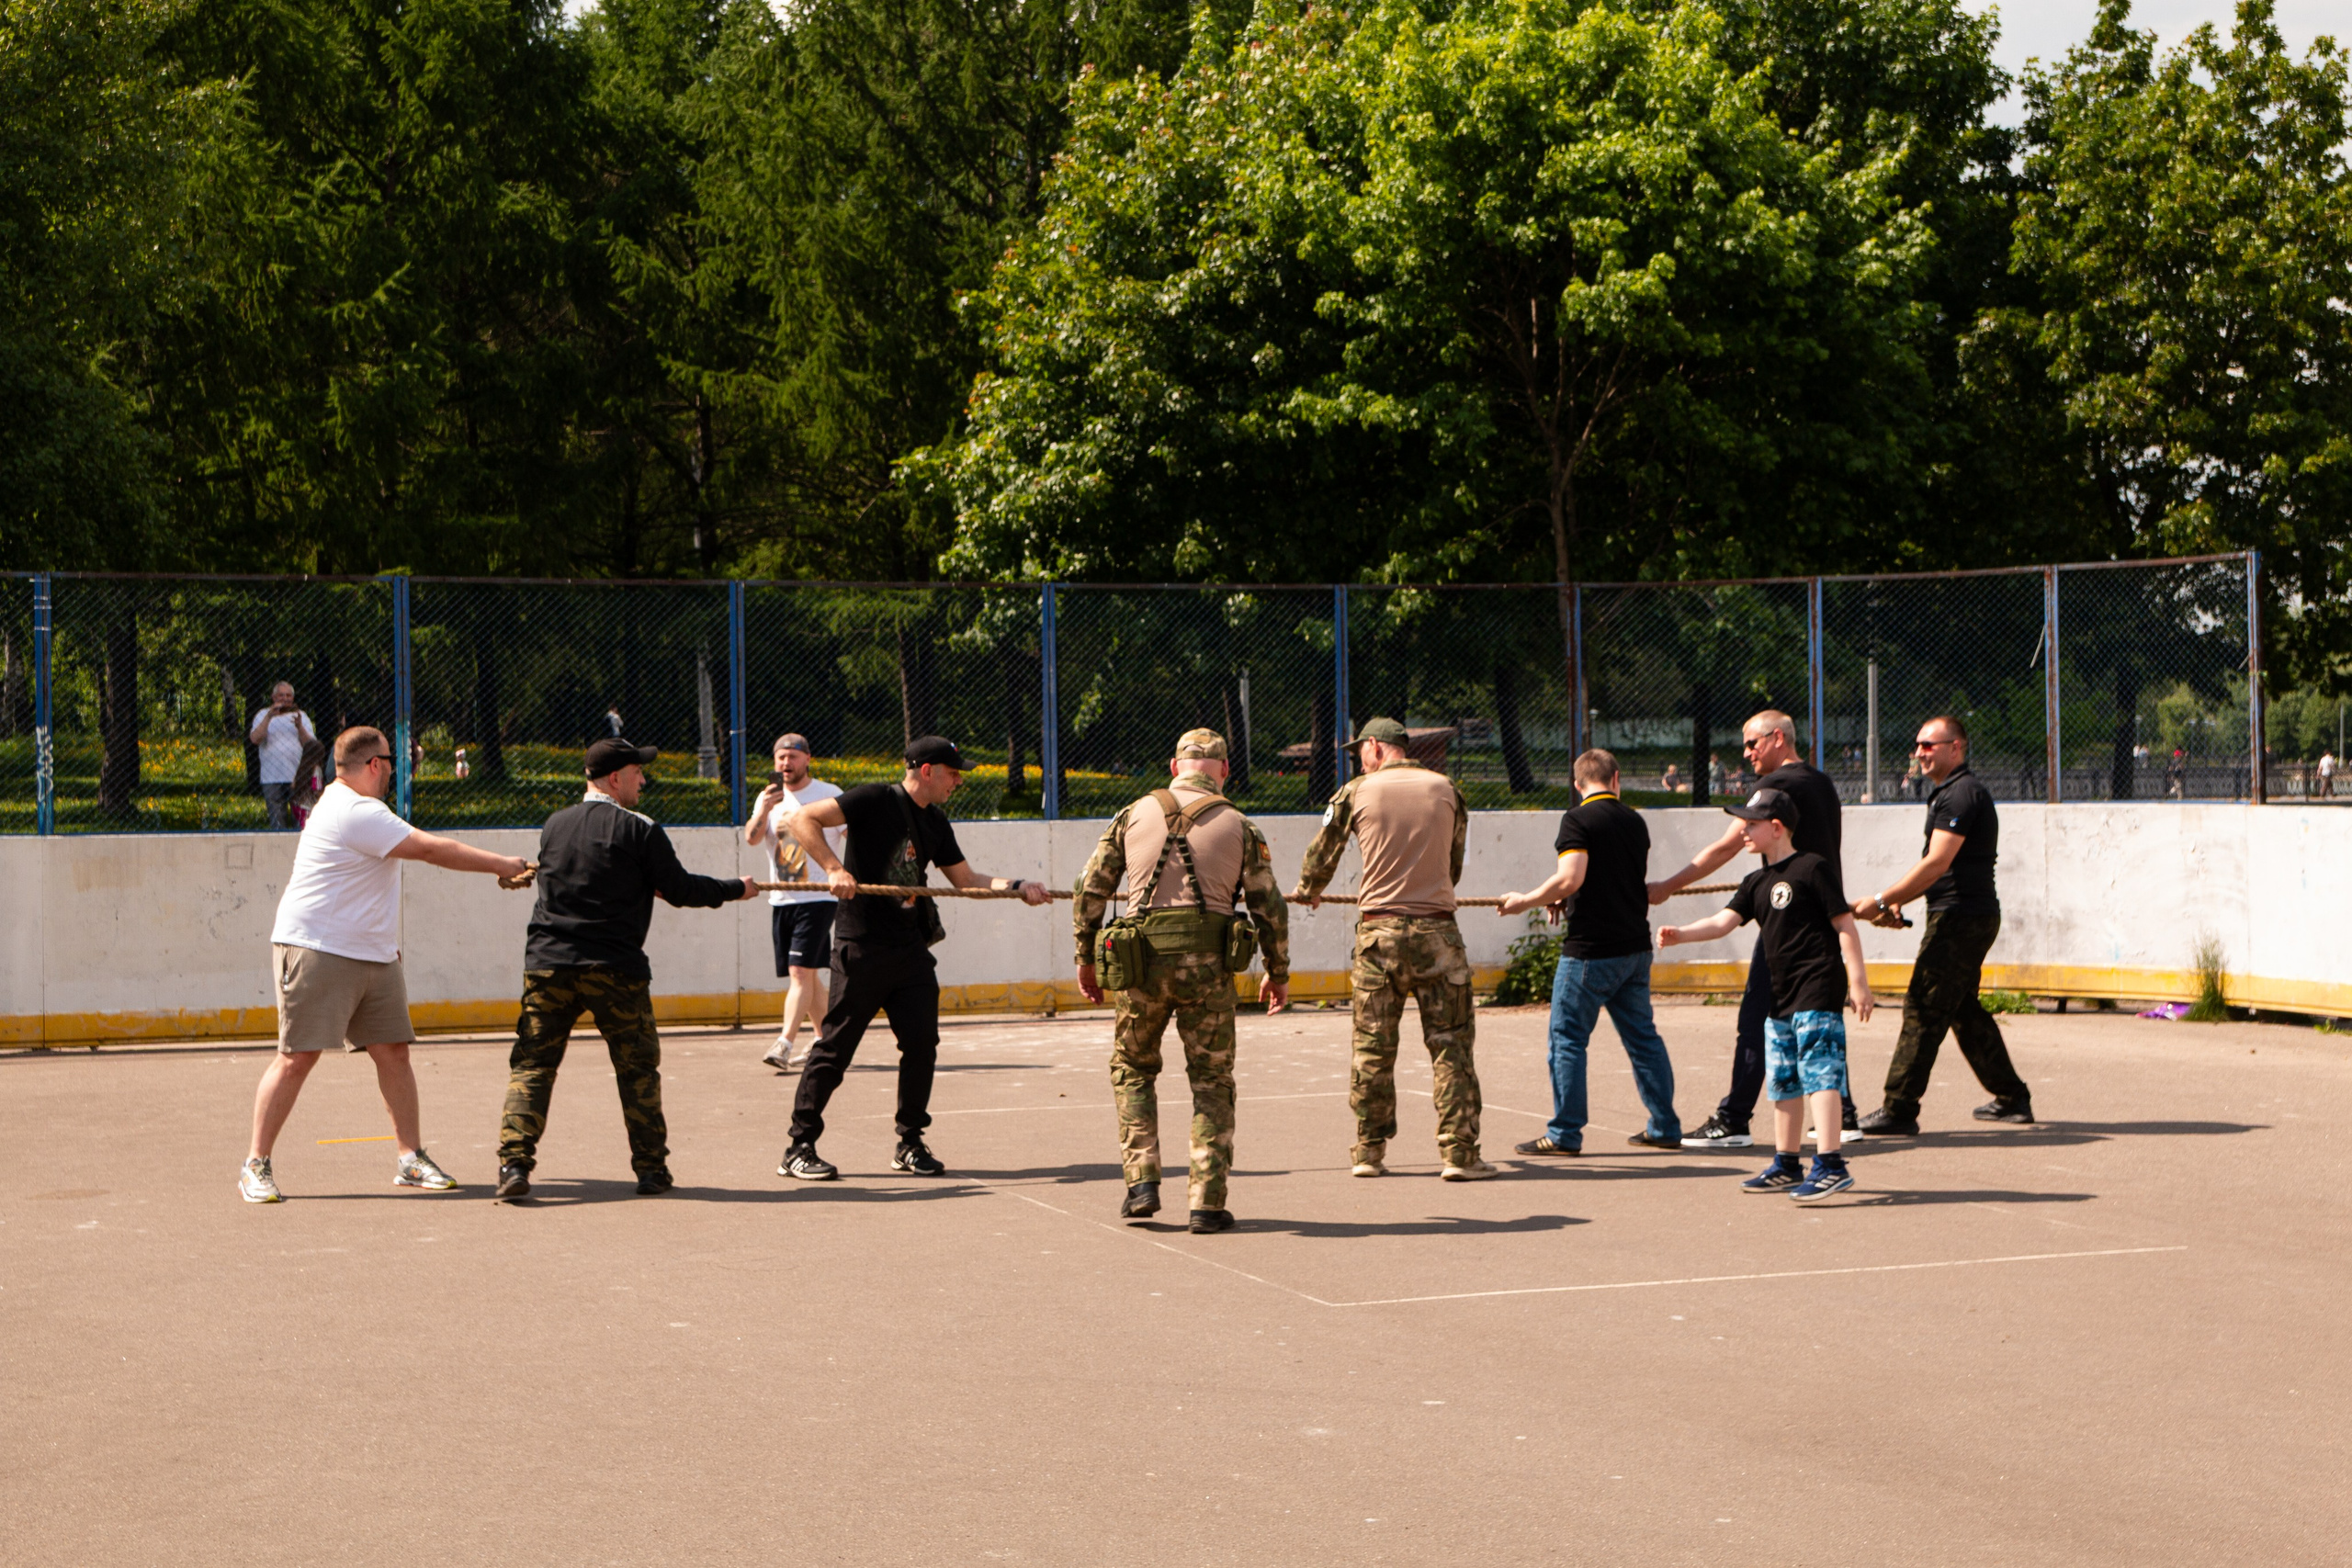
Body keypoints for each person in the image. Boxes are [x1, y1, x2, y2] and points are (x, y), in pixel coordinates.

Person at [241, 727, 530, 1203]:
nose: (394, 771)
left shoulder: (355, 808)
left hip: (373, 953)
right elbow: (430, 850)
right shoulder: (354, 810)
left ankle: (410, 1158)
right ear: (375, 764)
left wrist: (384, 944)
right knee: (297, 1058)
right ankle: (256, 1164)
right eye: (391, 762)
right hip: (317, 948)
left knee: (394, 1052)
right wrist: (501, 863)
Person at [493, 739, 758, 1200]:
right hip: (615, 967)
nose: (644, 779)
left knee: (533, 1066)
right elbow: (680, 888)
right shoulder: (641, 829)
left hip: (549, 965)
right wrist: (737, 888)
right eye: (637, 772)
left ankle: (515, 1164)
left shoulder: (555, 825)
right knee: (637, 1070)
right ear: (614, 779)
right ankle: (652, 1171)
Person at [778, 736, 1051, 1180]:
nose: (958, 781)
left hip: (909, 949)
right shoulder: (873, 799)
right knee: (835, 1049)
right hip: (861, 945)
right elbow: (801, 818)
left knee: (922, 1045)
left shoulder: (937, 823)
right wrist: (833, 868)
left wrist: (1018, 887)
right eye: (953, 772)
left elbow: (966, 879)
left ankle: (910, 1142)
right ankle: (799, 1145)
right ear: (927, 770)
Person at [1072, 729, 1290, 1234]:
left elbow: (1091, 889)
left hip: (1139, 965)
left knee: (1132, 1068)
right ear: (1224, 771)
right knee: (1212, 1082)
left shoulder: (1132, 814)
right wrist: (1277, 973)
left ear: (1175, 766)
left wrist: (1085, 957)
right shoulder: (1240, 824)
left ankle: (1142, 1182)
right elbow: (1269, 908)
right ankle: (1207, 1203)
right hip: (1209, 971)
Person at [1648, 709, 1860, 1149]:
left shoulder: (1775, 788)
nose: (1745, 754)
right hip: (1817, 918)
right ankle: (1845, 1113)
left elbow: (1727, 845)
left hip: (1787, 918)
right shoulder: (1822, 783)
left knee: (1759, 1018)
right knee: (1817, 1018)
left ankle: (1734, 1120)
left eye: (1752, 744)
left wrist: (1668, 886)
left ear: (1777, 738)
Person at [1295, 716, 1494, 1181]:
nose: (1357, 760)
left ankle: (1369, 1151)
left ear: (1375, 748)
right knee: (1451, 1049)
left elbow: (1322, 852)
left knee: (1372, 1049)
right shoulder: (1447, 789)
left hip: (1378, 937)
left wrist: (1310, 888)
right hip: (1437, 935)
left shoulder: (1355, 792)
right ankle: (1459, 1154)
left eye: (1358, 753)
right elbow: (1454, 863)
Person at [1658, 787, 1875, 1201]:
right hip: (1780, 994)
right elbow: (1722, 923)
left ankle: (1831, 1164)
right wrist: (1681, 934)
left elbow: (1845, 925)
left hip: (1816, 987)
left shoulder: (1813, 868)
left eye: (1751, 824)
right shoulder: (1756, 881)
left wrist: (1858, 981)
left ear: (1776, 828)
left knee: (1821, 1074)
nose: (1743, 830)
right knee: (1784, 1080)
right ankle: (1787, 1163)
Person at [1852, 715, 2036, 1134]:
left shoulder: (1961, 794)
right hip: (1964, 914)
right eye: (1918, 745)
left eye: (1929, 745)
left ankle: (1899, 1110)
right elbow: (1935, 868)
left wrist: (1883, 899)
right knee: (1961, 1009)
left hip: (1960, 918)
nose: (1920, 753)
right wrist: (1896, 903)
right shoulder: (1950, 794)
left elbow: (1937, 863)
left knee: (1922, 1007)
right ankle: (2012, 1098)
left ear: (1957, 748)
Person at [1497, 749, 1682, 1155]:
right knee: (1643, 1039)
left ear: (1578, 785)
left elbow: (1572, 876)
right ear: (1616, 779)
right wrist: (1570, 894)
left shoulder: (1577, 819)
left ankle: (1564, 1133)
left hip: (1590, 952)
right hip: (1634, 948)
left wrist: (1525, 900)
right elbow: (1608, 877)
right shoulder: (1635, 821)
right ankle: (1665, 1126)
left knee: (1567, 1040)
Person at [743, 732, 843, 1072]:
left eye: (793, 757)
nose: (786, 764)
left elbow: (853, 833)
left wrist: (845, 873)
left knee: (799, 971)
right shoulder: (768, 798)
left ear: (807, 759)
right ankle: (827, 1041)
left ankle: (784, 1042)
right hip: (782, 899)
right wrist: (766, 808)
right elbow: (752, 838)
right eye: (781, 758)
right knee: (809, 976)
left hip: (818, 896)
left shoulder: (828, 795)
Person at [248, 682, 316, 829]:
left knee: (302, 823)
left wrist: (299, 727)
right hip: (271, 776)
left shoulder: (302, 716)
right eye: (281, 695)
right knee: (277, 823)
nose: (285, 699)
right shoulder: (262, 715)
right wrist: (269, 717)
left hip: (298, 777)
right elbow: (255, 739)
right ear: (273, 697)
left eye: (288, 695)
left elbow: (310, 745)